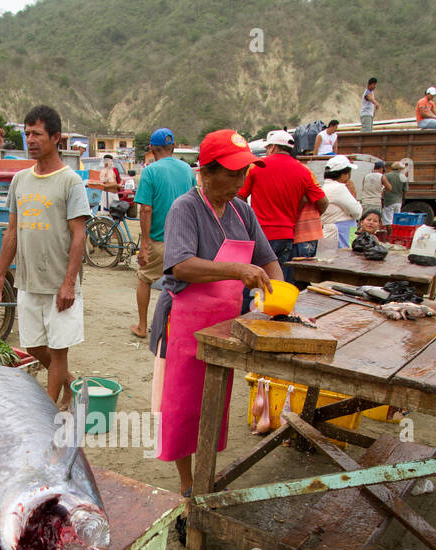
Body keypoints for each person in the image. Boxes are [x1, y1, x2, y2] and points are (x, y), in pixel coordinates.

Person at [148, 129, 282, 503]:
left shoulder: (243, 210)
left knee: (214, 401)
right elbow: (181, 266)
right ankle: (188, 483)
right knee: (182, 407)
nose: (241, 182)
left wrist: (278, 291)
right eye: (234, 174)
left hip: (224, 323)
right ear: (206, 173)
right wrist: (238, 271)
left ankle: (205, 470)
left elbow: (268, 259)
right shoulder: (185, 208)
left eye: (244, 174)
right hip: (185, 323)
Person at [0, 105, 90, 408]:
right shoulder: (20, 181)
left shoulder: (71, 182)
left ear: (56, 137)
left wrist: (69, 283)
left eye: (37, 134)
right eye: (27, 133)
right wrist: (0, 274)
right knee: (32, 345)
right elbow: (12, 231)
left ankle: (47, 411)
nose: (30, 139)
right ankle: (69, 382)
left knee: (58, 351)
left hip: (59, 284)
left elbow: (79, 235)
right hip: (28, 280)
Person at [133, 127, 196, 338]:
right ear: (173, 147)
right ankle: (178, 328)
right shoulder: (188, 170)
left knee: (144, 278)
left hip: (159, 239)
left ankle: (142, 326)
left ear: (151, 148)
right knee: (182, 286)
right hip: (185, 241)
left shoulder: (150, 171)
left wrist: (143, 247)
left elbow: (146, 209)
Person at [237, 129, 328, 274]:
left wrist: (247, 220)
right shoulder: (304, 171)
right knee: (278, 281)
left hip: (260, 233)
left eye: (267, 148)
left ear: (272, 147)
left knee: (253, 281)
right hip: (286, 235)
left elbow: (239, 197)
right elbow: (323, 202)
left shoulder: (257, 166)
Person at [318, 155, 362, 251]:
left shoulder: (326, 186)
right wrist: (353, 194)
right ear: (343, 174)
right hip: (340, 231)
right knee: (344, 259)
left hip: (333, 230)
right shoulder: (338, 188)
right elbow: (357, 212)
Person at [381, 160, 407, 224]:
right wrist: (403, 199)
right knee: (396, 220)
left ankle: (389, 233)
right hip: (398, 201)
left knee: (387, 221)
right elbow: (405, 190)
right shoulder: (403, 177)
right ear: (399, 169)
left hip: (388, 201)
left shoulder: (386, 176)